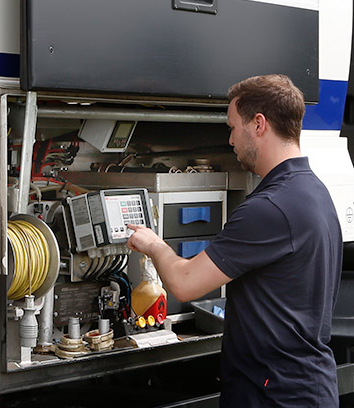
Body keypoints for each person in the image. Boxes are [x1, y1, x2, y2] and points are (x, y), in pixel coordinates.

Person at [125, 74, 342, 406]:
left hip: (274, 394)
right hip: (305, 386)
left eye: (232, 127)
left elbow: (184, 284)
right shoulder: (314, 191)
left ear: (258, 124)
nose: (230, 140)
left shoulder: (270, 207)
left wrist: (153, 244)